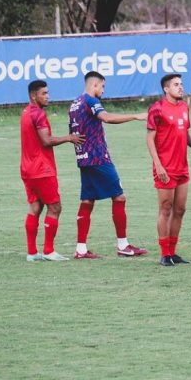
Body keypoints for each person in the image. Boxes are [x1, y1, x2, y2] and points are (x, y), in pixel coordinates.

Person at [69, 71, 148, 259]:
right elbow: (107, 118)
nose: (103, 91)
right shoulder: (90, 101)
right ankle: (123, 245)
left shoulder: (74, 103)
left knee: (87, 201)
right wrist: (136, 116)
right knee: (119, 197)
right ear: (94, 84)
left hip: (83, 158)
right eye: (102, 86)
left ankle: (81, 249)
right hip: (98, 158)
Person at [20, 80, 84, 262]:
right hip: (41, 170)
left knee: (35, 207)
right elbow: (46, 141)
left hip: (27, 169)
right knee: (55, 207)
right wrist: (69, 137)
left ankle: (32, 253)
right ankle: (48, 250)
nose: (48, 96)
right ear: (34, 95)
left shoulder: (25, 112)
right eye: (44, 93)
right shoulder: (38, 114)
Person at [146, 74, 191, 266]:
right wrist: (158, 164)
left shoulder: (184, 107)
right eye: (176, 85)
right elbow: (149, 139)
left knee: (180, 209)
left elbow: (184, 130)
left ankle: (172, 251)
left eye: (181, 84)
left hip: (182, 167)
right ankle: (164, 254)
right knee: (166, 209)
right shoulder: (157, 109)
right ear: (166, 89)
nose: (180, 87)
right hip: (165, 168)